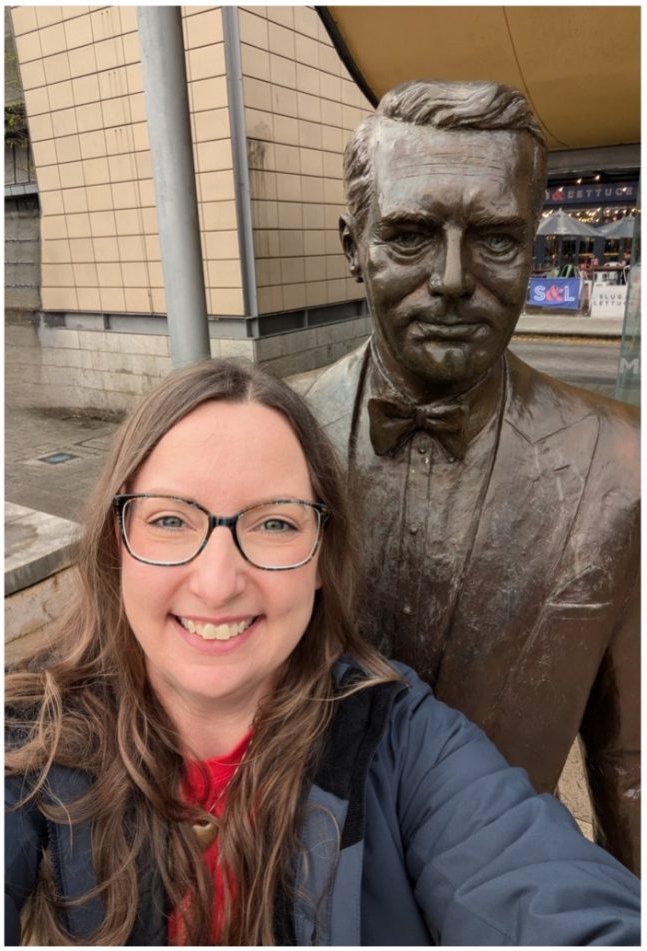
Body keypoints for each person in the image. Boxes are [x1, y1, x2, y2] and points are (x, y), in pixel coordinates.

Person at [5, 359, 640, 946]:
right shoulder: (28, 730)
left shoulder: (406, 743)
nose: (217, 584)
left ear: (320, 556)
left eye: (275, 522)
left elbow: (546, 892)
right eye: (170, 520)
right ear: (116, 543)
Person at [303, 80, 640, 873]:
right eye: (410, 236)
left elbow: (631, 765)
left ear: (533, 248)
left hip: (510, 892)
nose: (453, 279)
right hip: (304, 890)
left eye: (495, 238)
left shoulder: (624, 462)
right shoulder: (272, 439)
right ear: (354, 246)